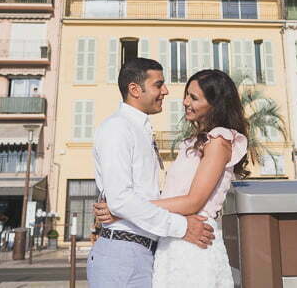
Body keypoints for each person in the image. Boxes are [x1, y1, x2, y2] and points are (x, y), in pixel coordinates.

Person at [95, 68, 249, 288]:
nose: (185, 102)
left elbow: (192, 201)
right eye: (187, 94)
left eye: (194, 98)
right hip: (175, 241)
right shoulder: (196, 142)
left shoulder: (219, 141)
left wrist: (122, 211)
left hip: (195, 243)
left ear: (215, 105)